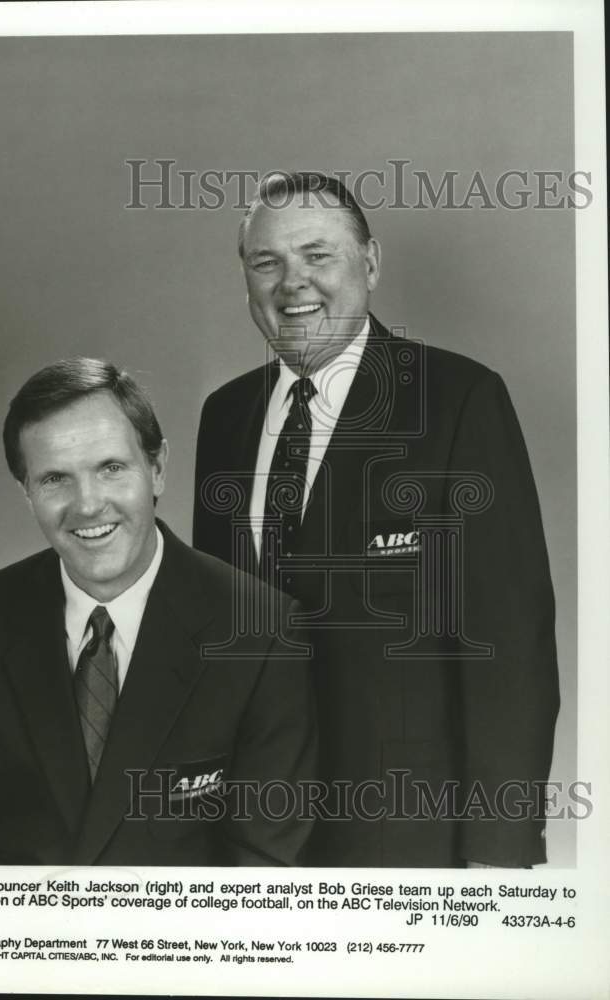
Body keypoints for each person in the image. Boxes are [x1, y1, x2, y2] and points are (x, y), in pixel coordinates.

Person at [193, 171, 560, 868]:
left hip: (408, 838)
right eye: (265, 262)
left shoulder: (457, 401)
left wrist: (497, 852)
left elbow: (509, 646)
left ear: (370, 262)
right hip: (250, 844)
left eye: (317, 255)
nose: (290, 283)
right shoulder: (225, 417)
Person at [0, 357, 316, 866]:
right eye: (55, 478)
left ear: (157, 468)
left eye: (111, 468)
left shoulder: (262, 630)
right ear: (27, 493)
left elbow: (264, 863)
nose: (87, 505)